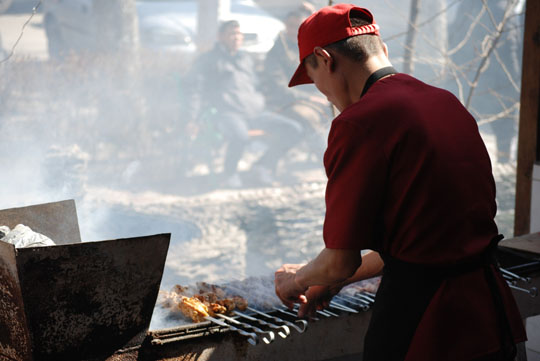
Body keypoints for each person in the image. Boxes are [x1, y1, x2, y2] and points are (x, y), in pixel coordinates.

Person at [274, 4, 526, 361]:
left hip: (428, 326)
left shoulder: (359, 123)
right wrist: (328, 281)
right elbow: (415, 245)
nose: (325, 96)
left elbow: (340, 261)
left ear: (324, 58)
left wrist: (297, 279)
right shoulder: (444, 102)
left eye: (316, 83)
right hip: (491, 313)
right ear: (383, 50)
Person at [182, 20, 303, 187]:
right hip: (227, 114)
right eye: (232, 34)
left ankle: (263, 167)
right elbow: (195, 90)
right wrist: (192, 118)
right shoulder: (209, 60)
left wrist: (265, 102)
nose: (236, 38)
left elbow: (256, 86)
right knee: (240, 135)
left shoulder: (245, 59)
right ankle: (229, 174)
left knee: (293, 129)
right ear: (220, 37)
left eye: (239, 34)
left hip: (255, 113)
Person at [261, 7, 330, 159]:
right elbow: (279, 87)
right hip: (287, 102)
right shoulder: (277, 52)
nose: (294, 31)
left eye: (298, 27)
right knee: (309, 118)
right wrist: (308, 98)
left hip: (317, 97)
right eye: (290, 26)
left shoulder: (309, 47)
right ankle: (327, 163)